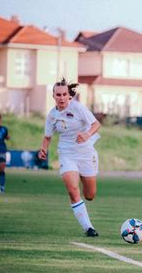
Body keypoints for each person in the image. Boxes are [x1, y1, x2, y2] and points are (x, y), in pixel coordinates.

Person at [38, 78, 101, 237]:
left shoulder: (79, 108)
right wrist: (43, 149)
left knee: (90, 195)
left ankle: (83, 176)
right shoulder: (52, 115)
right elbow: (47, 136)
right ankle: (88, 228)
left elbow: (96, 125)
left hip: (86, 153)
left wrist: (86, 135)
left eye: (64, 94)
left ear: (69, 96)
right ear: (53, 96)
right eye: (58, 94)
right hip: (67, 154)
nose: (61, 97)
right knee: (73, 191)